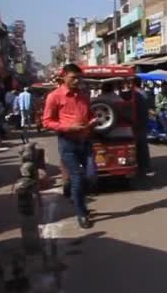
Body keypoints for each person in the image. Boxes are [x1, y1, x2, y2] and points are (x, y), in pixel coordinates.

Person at [43, 64, 98, 229]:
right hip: (68, 143)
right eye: (73, 77)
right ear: (64, 76)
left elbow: (90, 115)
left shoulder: (83, 96)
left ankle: (75, 194)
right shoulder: (54, 96)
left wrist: (92, 121)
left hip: (85, 141)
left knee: (91, 175)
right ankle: (81, 213)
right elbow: (46, 122)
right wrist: (68, 128)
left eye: (79, 78)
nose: (77, 81)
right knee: (77, 177)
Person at [133, 77, 153, 176]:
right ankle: (145, 165)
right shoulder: (144, 93)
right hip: (143, 121)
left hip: (137, 122)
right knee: (143, 144)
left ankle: (143, 166)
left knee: (139, 145)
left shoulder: (136, 94)